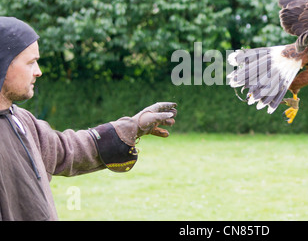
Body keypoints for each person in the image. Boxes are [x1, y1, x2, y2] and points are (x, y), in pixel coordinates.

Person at [0, 17, 177, 221]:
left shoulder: (21, 120)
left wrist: (132, 127)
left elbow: (67, 149)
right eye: (31, 62)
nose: (38, 71)